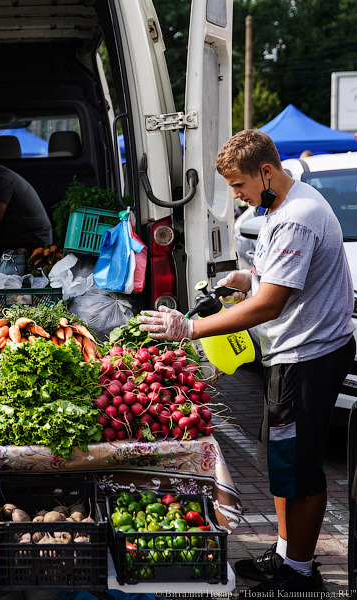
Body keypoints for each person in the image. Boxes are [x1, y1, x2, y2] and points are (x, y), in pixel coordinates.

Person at [138, 128, 355, 595]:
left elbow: (270, 306)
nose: (236, 195)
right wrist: (248, 277)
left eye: (238, 185)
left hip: (308, 356)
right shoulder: (283, 204)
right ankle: (284, 553)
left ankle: (299, 574)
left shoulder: (297, 215)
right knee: (282, 461)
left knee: (301, 467)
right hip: (292, 353)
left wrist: (189, 329)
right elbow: (274, 281)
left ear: (266, 170)